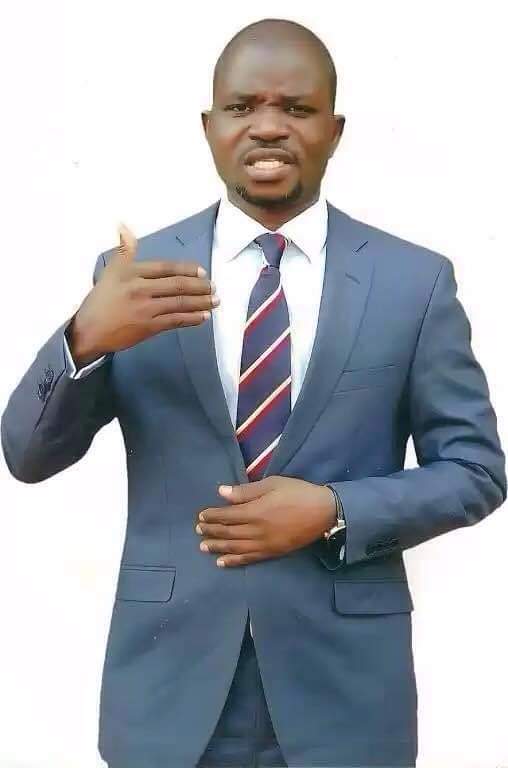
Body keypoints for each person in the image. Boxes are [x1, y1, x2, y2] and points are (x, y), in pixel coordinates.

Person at [1, 16, 505, 768]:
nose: (268, 127)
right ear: (208, 126)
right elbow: (26, 455)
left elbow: (476, 471)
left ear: (335, 130)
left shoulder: (413, 283)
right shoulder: (135, 274)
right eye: (242, 107)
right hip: (168, 695)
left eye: (297, 108)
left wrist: (334, 509)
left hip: (345, 699)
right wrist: (82, 338)